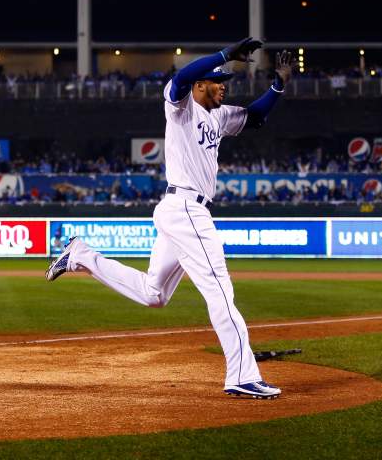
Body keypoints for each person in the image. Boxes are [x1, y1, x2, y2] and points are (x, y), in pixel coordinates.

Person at [45, 38, 295, 399]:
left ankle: (81, 255)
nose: (224, 85)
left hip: (179, 211)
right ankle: (241, 374)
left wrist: (278, 85)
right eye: (217, 80)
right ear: (200, 85)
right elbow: (182, 76)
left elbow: (256, 117)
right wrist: (225, 54)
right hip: (186, 210)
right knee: (220, 290)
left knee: (154, 293)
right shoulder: (180, 107)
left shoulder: (220, 116)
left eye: (225, 80)